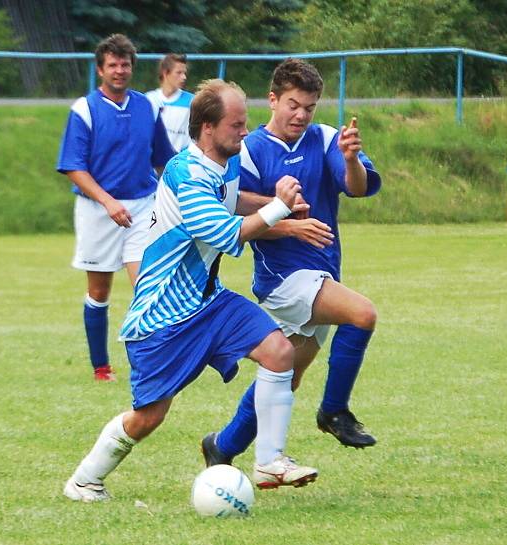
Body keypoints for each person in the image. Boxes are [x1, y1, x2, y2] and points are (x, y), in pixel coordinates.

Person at [63, 79, 319, 502]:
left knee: (279, 352)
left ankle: (270, 460)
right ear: (207, 129)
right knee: (148, 418)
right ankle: (85, 480)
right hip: (163, 316)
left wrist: (273, 203)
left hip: (209, 300)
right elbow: (221, 231)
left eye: (245, 122)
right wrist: (278, 208)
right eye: (236, 124)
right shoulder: (186, 173)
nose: (244, 131)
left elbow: (232, 202)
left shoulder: (226, 162)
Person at [201, 58, 383, 469]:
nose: (301, 114)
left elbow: (356, 189)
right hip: (282, 278)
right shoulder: (247, 150)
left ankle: (223, 446)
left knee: (285, 374)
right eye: (293, 105)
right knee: (362, 314)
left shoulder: (326, 139)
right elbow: (230, 212)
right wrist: (283, 216)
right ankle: (334, 412)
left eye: (310, 107)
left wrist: (352, 159)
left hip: (322, 273)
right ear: (273, 100)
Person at [56, 34, 175, 381]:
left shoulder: (148, 107)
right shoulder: (84, 109)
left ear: (132, 68)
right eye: (113, 65)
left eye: (125, 64)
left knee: (147, 283)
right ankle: (101, 366)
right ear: (100, 69)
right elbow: (74, 167)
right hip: (97, 210)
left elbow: (164, 160)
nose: (120, 70)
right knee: (99, 291)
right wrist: (107, 201)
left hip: (142, 207)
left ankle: (152, 361)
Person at [146, 53, 193, 152]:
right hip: (153, 164)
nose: (184, 77)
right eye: (179, 73)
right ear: (165, 73)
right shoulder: (149, 99)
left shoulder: (192, 102)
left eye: (184, 73)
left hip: (179, 163)